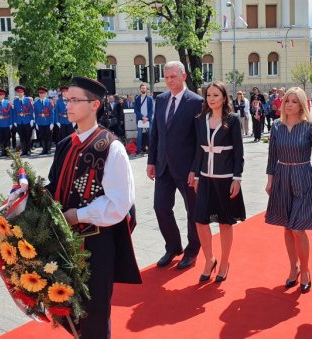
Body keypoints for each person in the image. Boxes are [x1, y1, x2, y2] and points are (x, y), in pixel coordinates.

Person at [45, 76, 141, 339]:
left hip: (97, 245)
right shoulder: (66, 144)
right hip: (66, 243)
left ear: (95, 104)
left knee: (95, 313)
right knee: (68, 308)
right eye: (67, 100)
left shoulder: (111, 147)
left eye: (75, 100)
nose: (69, 105)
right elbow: (56, 186)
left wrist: (79, 215)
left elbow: (120, 203)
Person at [265, 87, 312, 294]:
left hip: (303, 176)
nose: (289, 104)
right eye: (287, 101)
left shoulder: (310, 125)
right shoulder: (276, 126)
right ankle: (294, 267)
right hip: (282, 175)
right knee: (286, 226)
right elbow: (272, 155)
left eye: (294, 101)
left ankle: (306, 270)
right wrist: (270, 180)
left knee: (298, 228)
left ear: (301, 104)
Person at [147, 61, 203, 270]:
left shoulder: (196, 102)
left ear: (184, 76)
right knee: (160, 207)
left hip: (187, 168)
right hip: (163, 166)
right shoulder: (161, 100)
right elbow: (156, 133)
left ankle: (192, 250)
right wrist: (151, 161)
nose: (169, 81)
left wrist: (195, 169)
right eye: (167, 77)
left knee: (193, 211)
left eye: (173, 77)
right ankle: (173, 247)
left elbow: (200, 140)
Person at [190, 81, 245, 283]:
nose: (211, 99)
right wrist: (196, 175)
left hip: (225, 179)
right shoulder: (200, 119)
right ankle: (209, 259)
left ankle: (224, 262)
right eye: (208, 95)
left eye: (215, 95)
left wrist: (237, 178)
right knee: (200, 220)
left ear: (223, 98)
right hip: (205, 178)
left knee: (225, 222)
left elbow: (239, 152)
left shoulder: (232, 120)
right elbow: (198, 149)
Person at [12, 85, 34, 156]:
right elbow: (14, 111)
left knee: (28, 136)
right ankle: (23, 150)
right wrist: (15, 121)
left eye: (21, 92)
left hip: (27, 120)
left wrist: (31, 119)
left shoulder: (28, 100)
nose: (19, 94)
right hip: (19, 121)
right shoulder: (15, 101)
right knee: (21, 137)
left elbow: (31, 110)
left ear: (23, 93)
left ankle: (28, 150)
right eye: (18, 92)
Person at [134, 83, 154, 154]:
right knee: (139, 135)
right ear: (140, 89)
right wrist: (142, 117)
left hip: (148, 120)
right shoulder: (137, 99)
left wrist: (147, 118)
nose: (143, 89)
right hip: (140, 119)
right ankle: (139, 150)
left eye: (144, 88)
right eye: (142, 88)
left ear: (146, 89)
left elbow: (152, 109)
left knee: (150, 134)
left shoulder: (150, 98)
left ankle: (150, 150)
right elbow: (135, 110)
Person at [34, 86, 55, 155]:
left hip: (48, 121)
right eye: (40, 93)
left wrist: (52, 122)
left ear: (46, 94)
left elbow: (52, 113)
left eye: (43, 93)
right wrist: (36, 123)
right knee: (42, 136)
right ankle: (44, 149)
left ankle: (48, 149)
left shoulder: (49, 102)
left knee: (48, 136)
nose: (41, 94)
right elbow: (36, 114)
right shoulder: (36, 103)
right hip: (40, 122)